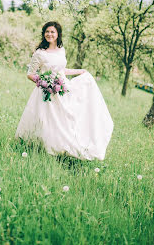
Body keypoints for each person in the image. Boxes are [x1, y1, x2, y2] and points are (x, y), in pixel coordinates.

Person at [15, 21, 113, 161]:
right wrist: (45, 83)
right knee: (47, 121)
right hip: (46, 92)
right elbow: (30, 74)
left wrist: (80, 71)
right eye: (47, 32)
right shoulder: (40, 54)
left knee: (64, 120)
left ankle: (63, 149)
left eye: (52, 32)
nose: (49, 34)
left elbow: (61, 70)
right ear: (44, 34)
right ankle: (43, 149)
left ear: (58, 34)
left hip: (61, 88)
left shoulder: (61, 50)